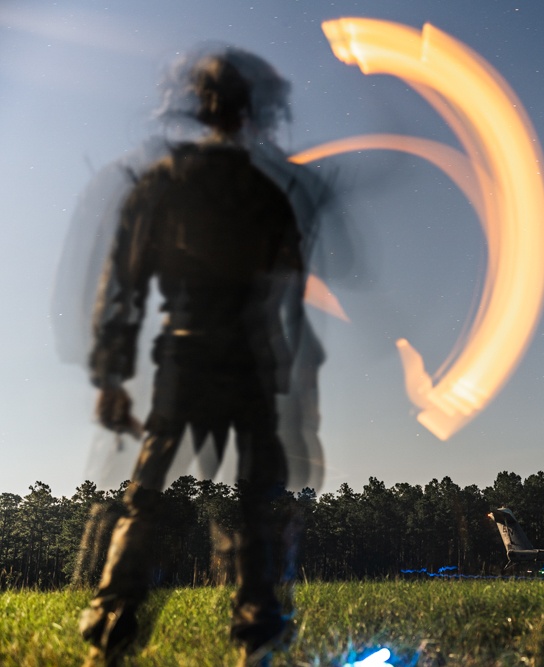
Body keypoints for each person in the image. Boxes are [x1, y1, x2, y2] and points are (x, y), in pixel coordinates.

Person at [77, 48, 319, 667]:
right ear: (249, 113)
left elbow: (123, 285)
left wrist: (110, 376)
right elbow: (288, 285)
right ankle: (259, 632)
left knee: (149, 496)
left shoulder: (161, 183)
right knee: (256, 497)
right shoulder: (267, 194)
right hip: (248, 360)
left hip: (182, 357)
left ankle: (112, 629)